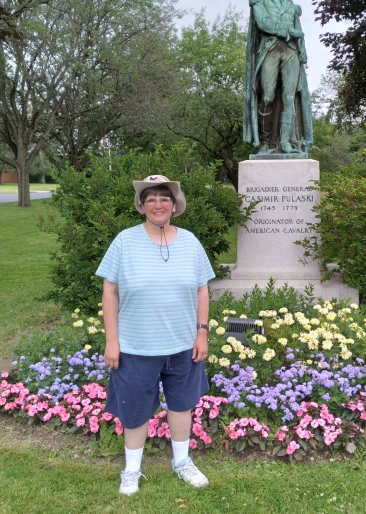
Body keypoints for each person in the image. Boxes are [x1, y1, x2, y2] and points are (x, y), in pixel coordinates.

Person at [96, 174, 215, 495]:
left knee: (181, 405)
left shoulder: (190, 242)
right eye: (151, 199)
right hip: (135, 346)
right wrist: (112, 341)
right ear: (142, 206)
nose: (158, 203)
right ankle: (132, 470)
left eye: (164, 198)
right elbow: (110, 292)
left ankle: (182, 462)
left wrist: (201, 333)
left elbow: (203, 289)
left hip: (182, 346)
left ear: (174, 206)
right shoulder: (124, 241)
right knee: (133, 409)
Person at [243, 0, 313, 156]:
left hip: (291, 52)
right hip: (270, 49)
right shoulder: (259, 0)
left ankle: (285, 142)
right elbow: (263, 24)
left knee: (289, 97)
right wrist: (288, 30)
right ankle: (265, 142)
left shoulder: (292, 6)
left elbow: (300, 31)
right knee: (267, 96)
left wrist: (303, 50)